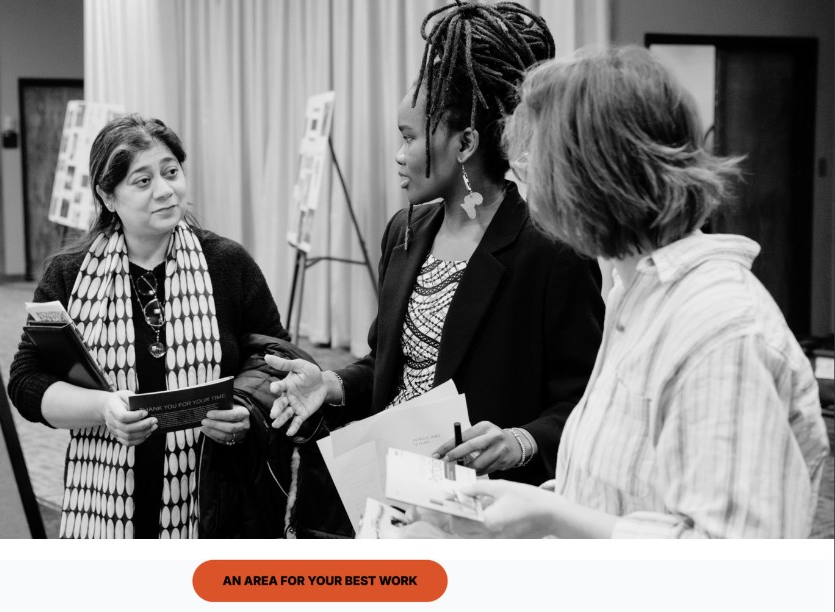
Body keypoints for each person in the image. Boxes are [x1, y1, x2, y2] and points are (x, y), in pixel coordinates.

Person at [413, 45, 829, 538]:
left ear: (594, 174)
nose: (527, 185)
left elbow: (734, 565)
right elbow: (626, 490)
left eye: (534, 163)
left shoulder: (721, 330)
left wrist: (551, 516)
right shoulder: (634, 292)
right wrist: (532, 500)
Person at [267, 1, 604, 486]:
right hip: (387, 489)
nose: (400, 156)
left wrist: (519, 442)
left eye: (408, 138)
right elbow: (384, 367)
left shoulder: (552, 252)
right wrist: (333, 384)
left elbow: (583, 401)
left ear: (465, 144)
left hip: (485, 512)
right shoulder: (404, 233)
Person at [7, 115, 289, 539]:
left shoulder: (227, 264)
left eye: (171, 172)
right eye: (142, 181)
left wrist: (247, 408)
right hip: (104, 500)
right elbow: (26, 382)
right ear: (108, 195)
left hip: (210, 494)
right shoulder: (69, 275)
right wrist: (103, 409)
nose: (165, 190)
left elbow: (274, 357)